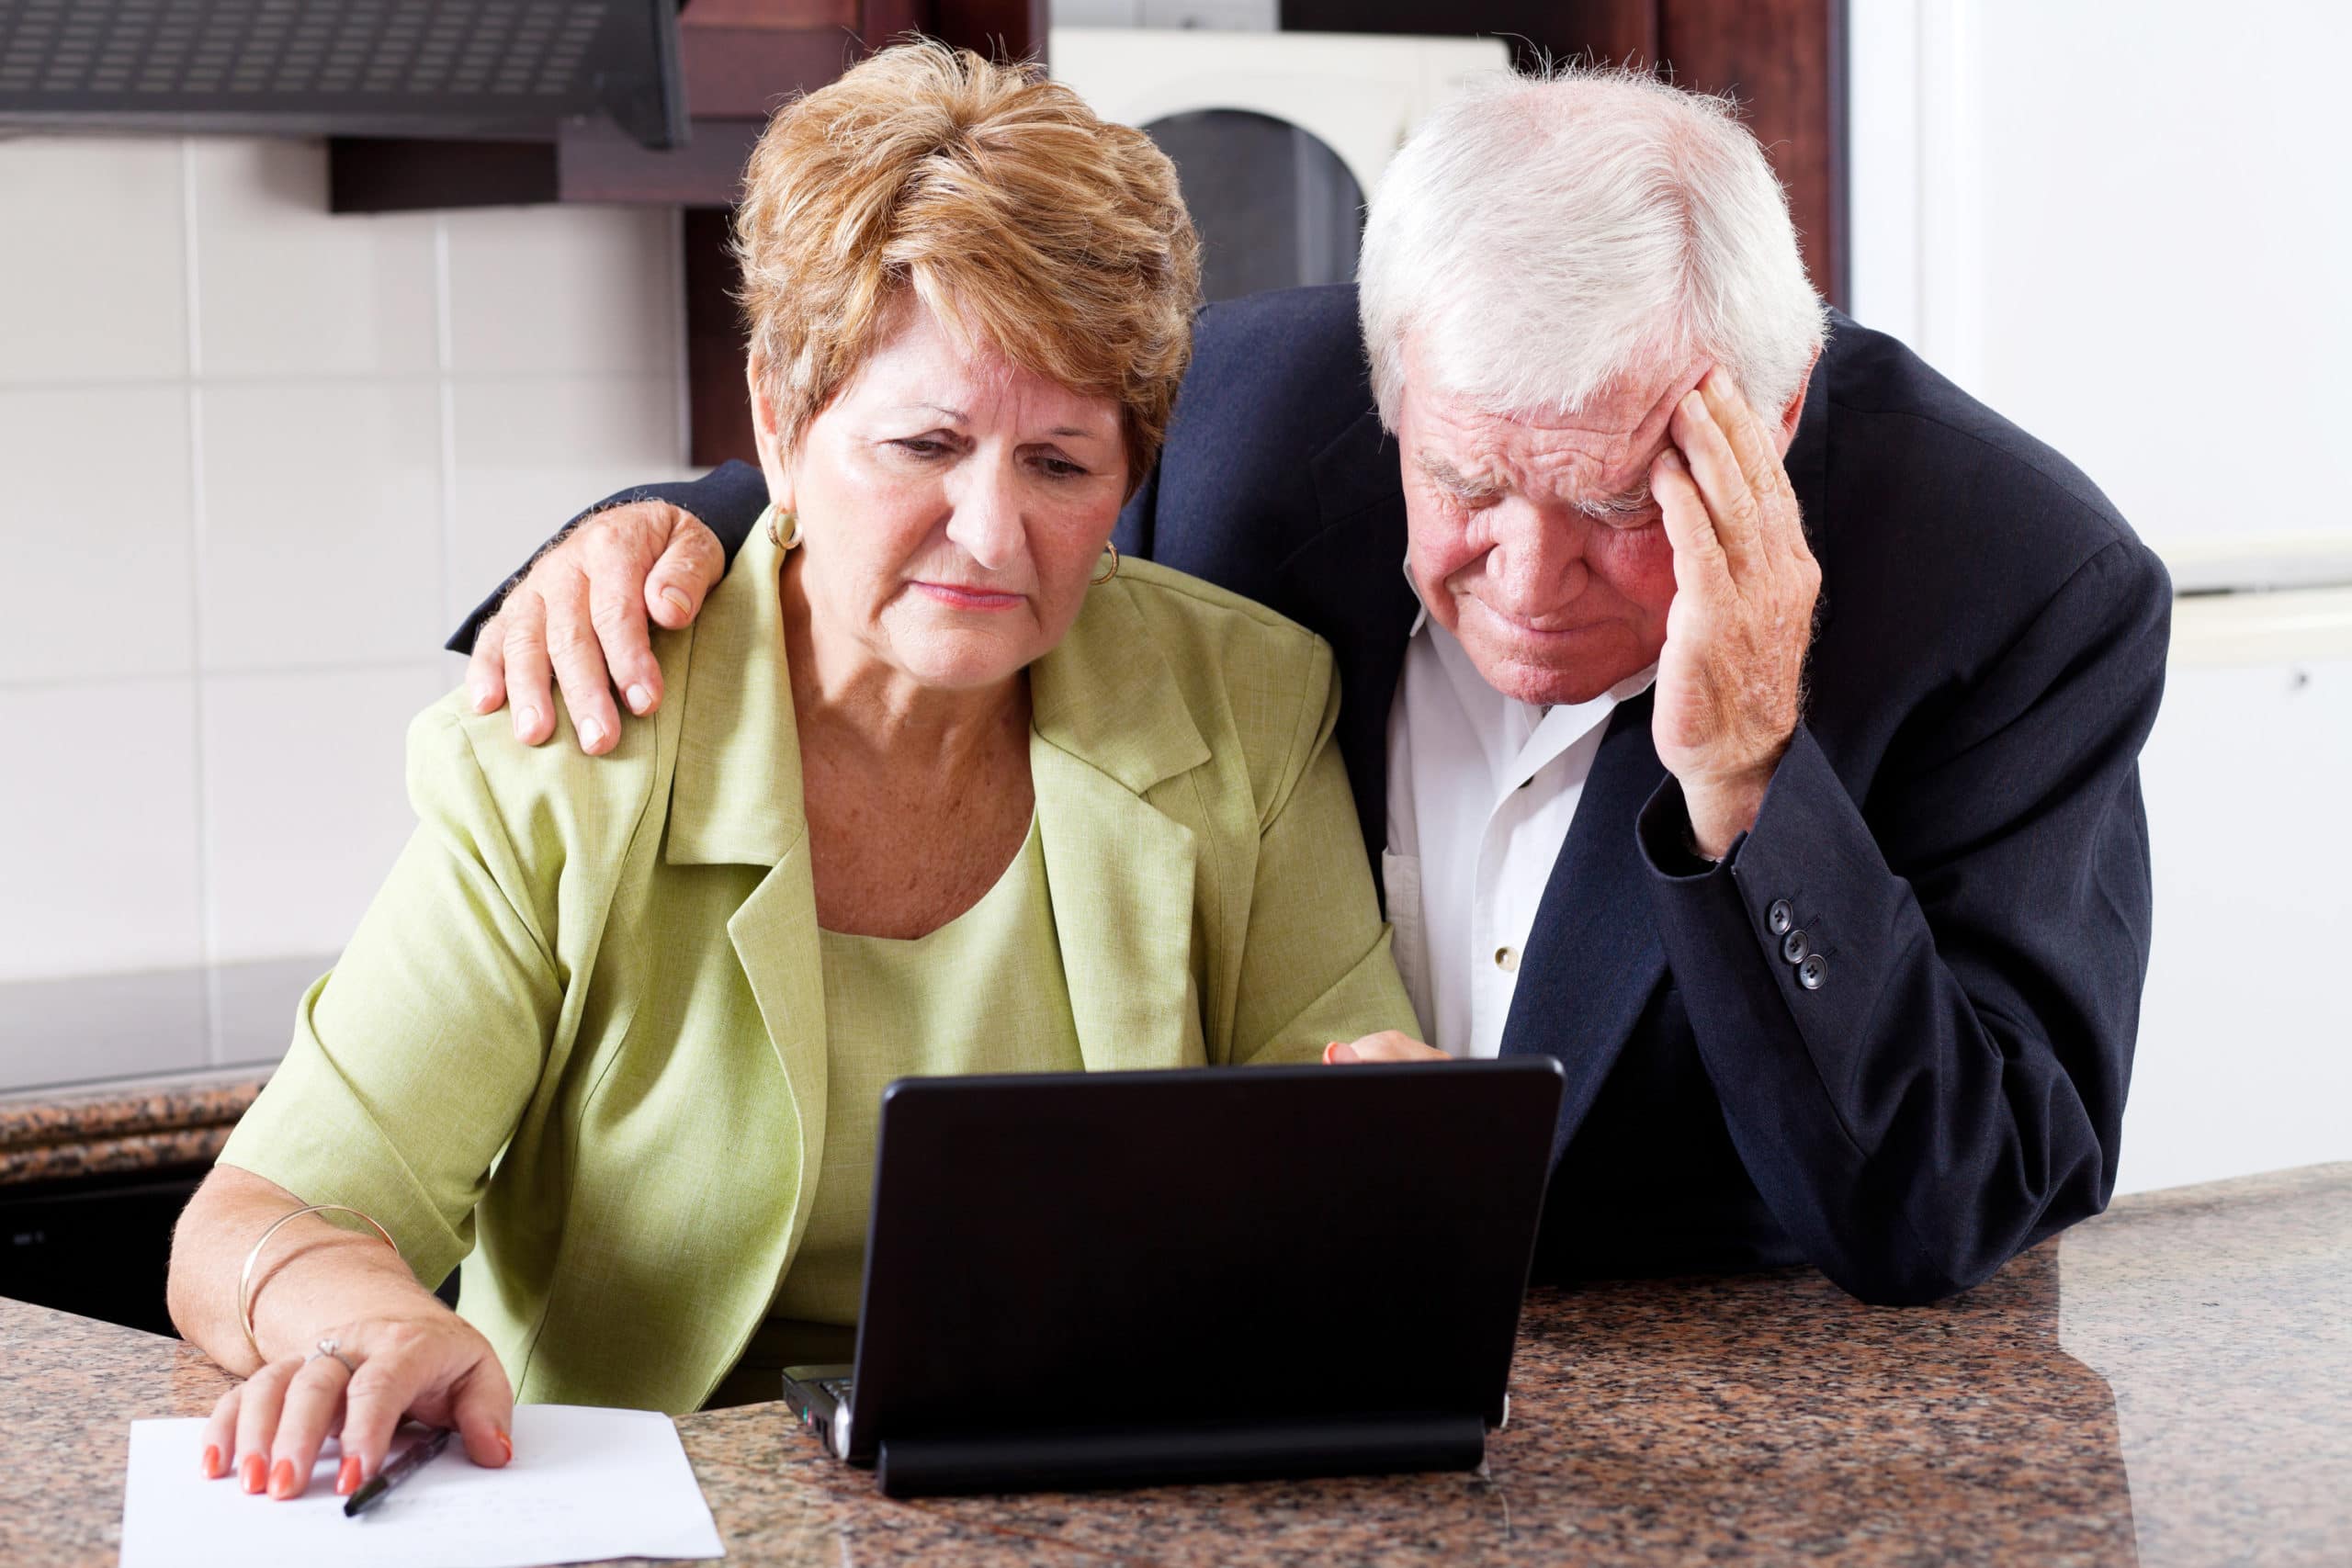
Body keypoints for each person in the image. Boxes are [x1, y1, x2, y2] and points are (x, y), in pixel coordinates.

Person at [465, 63, 2172, 1309]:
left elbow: (1954, 1210)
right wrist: (651, 531)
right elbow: (940, 488)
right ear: (1393, 393)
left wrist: (1749, 781)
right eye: (1470, 489)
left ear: (1768, 425)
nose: (1527, 579)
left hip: (1709, 1419)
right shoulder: (1253, 423)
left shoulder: (2019, 589)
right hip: (1249, 1367)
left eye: (1610, 506)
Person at [164, 42, 1417, 1504]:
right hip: (643, 1511)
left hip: (1090, 1504)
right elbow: (257, 1216)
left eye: (1060, 466)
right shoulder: (585, 739)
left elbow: (1352, 1135)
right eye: (926, 443)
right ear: (779, 419)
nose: (991, 531)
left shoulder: (1245, 696)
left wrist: (1382, 1158)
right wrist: (365, 1314)